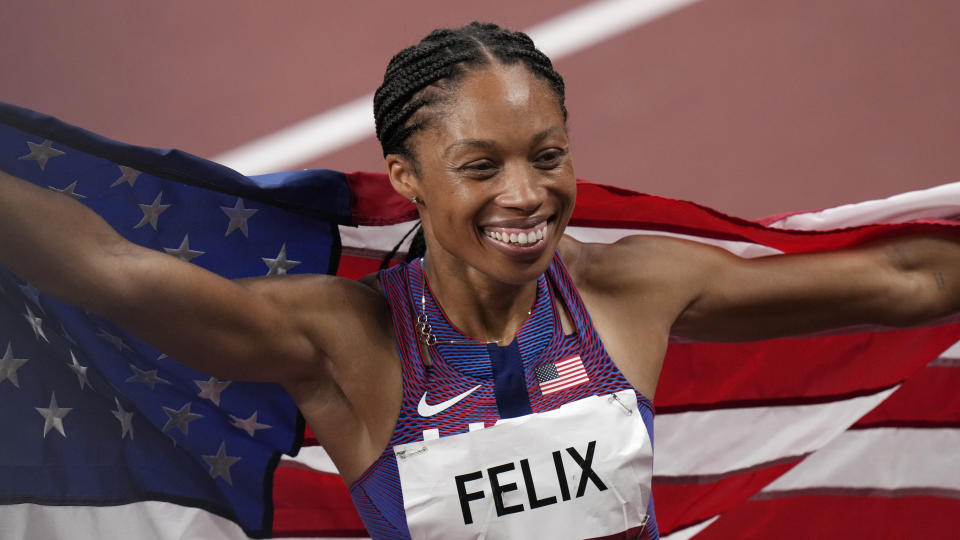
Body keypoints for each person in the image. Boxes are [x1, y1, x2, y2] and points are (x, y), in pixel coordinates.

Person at [1, 21, 959, 539]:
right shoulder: (343, 344)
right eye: (480, 166)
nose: (526, 194)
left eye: (547, 155)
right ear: (409, 179)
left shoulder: (631, 291)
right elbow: (109, 271)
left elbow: (906, 281)